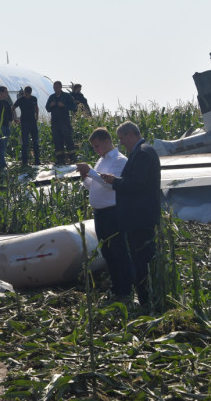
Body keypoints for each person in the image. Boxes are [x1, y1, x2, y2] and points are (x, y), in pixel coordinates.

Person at [101, 121, 162, 308]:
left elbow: (137, 183)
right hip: (141, 216)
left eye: (121, 139)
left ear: (130, 134)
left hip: (140, 217)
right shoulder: (145, 151)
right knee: (141, 258)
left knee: (142, 259)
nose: (122, 143)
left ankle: (147, 299)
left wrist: (115, 182)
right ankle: (147, 297)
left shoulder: (142, 153)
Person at [76, 128, 132, 301]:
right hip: (100, 214)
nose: (96, 150)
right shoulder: (100, 162)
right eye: (94, 147)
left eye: (97, 146)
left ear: (107, 141)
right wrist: (85, 177)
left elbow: (111, 184)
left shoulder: (120, 160)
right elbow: (94, 186)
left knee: (119, 251)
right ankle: (117, 287)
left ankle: (126, 289)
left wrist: (91, 171)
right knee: (107, 252)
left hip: (113, 212)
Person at [45, 81, 77, 164]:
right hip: (55, 123)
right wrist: (50, 106)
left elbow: (73, 107)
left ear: (60, 87)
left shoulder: (66, 96)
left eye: (57, 87)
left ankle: (72, 157)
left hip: (64, 122)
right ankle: (60, 159)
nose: (55, 89)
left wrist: (64, 106)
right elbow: (47, 108)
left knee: (68, 139)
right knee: (57, 140)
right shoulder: (52, 97)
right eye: (54, 88)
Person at [13, 86, 41, 166]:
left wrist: (37, 116)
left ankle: (37, 160)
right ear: (24, 92)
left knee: (35, 142)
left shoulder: (33, 99)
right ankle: (24, 161)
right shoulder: (21, 100)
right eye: (26, 93)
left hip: (32, 122)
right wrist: (14, 118)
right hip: (24, 122)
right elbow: (13, 107)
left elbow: (36, 108)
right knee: (25, 142)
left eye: (28, 93)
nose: (27, 94)